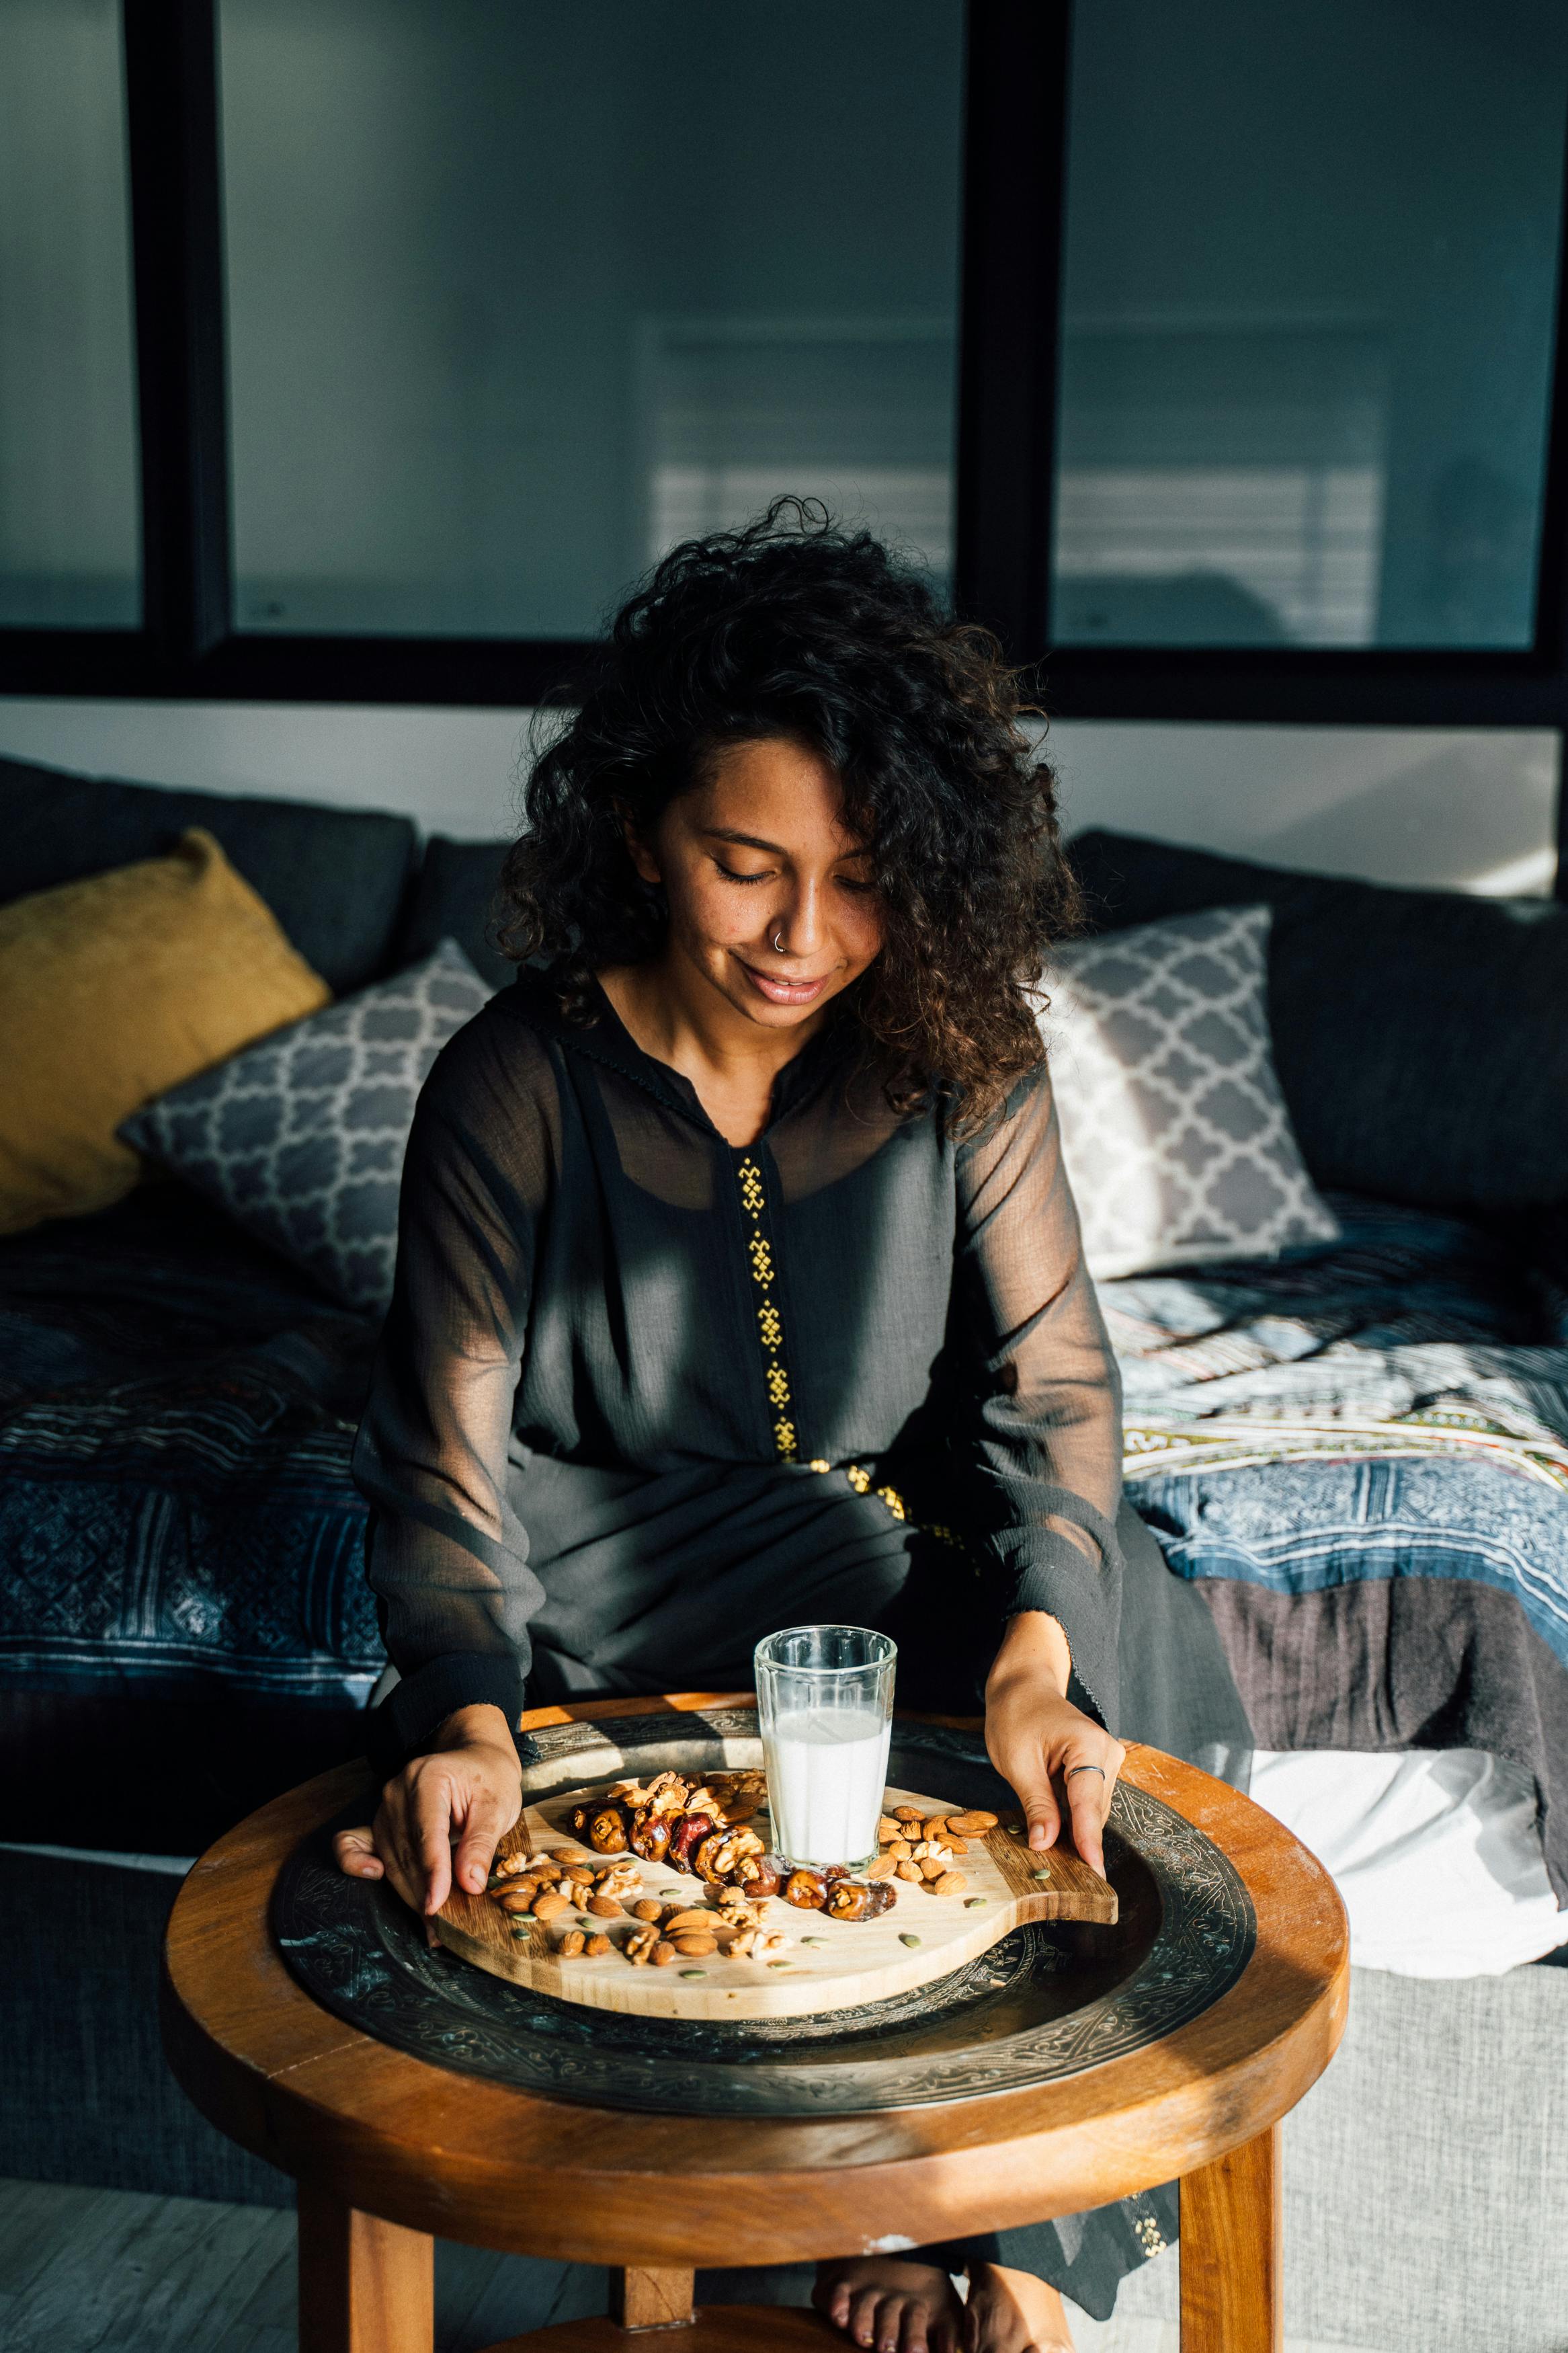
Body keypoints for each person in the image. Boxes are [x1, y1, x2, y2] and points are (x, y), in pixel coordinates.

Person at [333, 504, 1190, 2352]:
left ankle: (1020, 2243)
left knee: (1142, 1658)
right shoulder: (516, 1083)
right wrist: (463, 1709)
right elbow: (442, 1456)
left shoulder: (960, 1053)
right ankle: (845, 2215)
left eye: (868, 877)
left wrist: (1042, 1647)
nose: (808, 936)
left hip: (864, 1549)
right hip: (611, 1580)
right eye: (748, 864)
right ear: (644, 827)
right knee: (686, 1817)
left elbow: (1052, 1385)